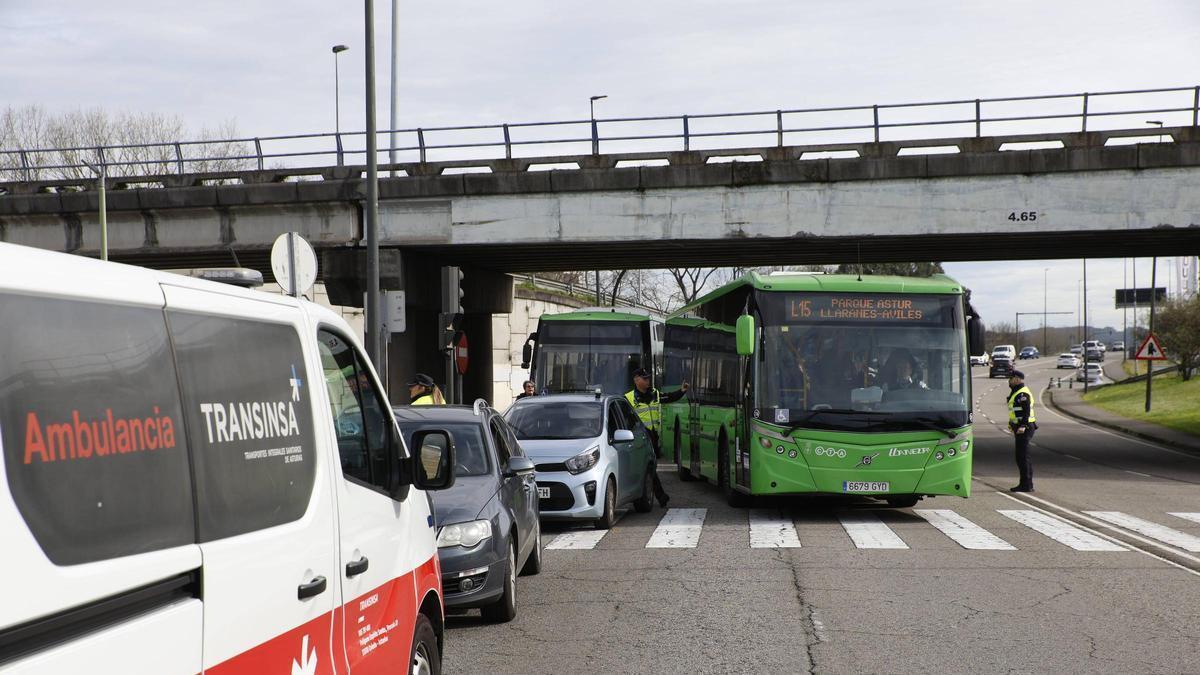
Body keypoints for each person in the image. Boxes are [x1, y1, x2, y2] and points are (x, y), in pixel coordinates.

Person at [626, 368, 689, 507]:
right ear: (636, 380)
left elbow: (669, 397)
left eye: (648, 378)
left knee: (650, 468)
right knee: (649, 468)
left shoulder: (654, 394)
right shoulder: (628, 398)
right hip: (640, 438)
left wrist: (682, 391)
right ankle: (659, 496)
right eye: (645, 378)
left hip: (653, 438)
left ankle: (654, 496)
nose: (648, 381)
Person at [1007, 369, 1037, 492]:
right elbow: (1016, 411)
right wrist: (1012, 423)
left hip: (1025, 428)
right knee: (1021, 457)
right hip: (1020, 427)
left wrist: (1023, 426)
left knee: (1023, 457)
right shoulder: (1017, 392)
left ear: (1017, 379)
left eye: (1010, 378)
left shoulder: (1023, 393)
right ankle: (1027, 484)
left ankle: (1026, 485)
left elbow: (1026, 411)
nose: (1009, 381)